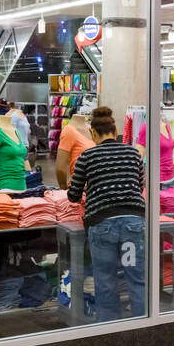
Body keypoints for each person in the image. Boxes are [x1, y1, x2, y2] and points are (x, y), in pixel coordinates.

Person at [67, 107, 146, 321]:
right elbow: (140, 186)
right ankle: (144, 325)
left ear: (93, 133)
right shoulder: (132, 153)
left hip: (102, 226)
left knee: (105, 280)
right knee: (137, 278)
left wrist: (91, 188)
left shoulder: (87, 156)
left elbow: (73, 196)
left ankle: (110, 331)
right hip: (133, 225)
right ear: (116, 130)